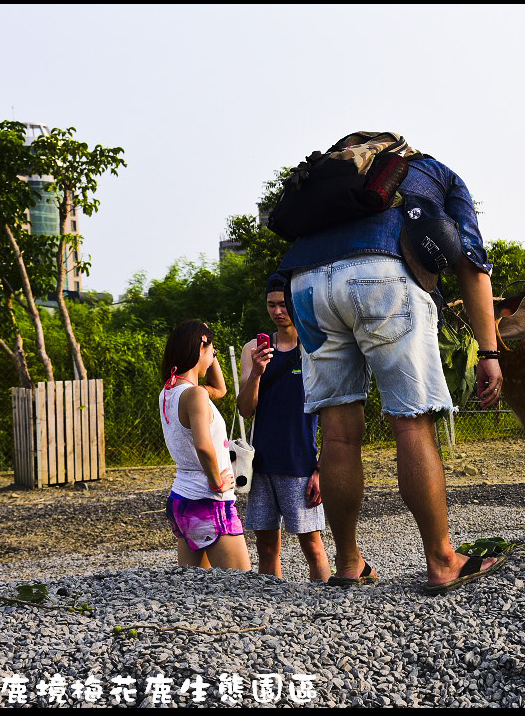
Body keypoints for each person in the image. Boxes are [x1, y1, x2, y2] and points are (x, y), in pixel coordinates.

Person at [277, 134, 506, 594]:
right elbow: (471, 265)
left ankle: (348, 563)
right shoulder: (435, 172)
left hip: (304, 286)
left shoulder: (334, 184)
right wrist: (488, 351)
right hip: (380, 273)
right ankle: (442, 560)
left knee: (339, 433)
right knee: (411, 423)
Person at [237, 273, 332, 583]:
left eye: (283, 304)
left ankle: (325, 604)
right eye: (271, 305)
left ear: (295, 303)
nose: (277, 311)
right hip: (261, 462)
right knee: (266, 545)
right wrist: (257, 373)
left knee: (312, 545)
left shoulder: (314, 347)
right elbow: (245, 409)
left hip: (301, 461)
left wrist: (321, 468)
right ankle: (270, 603)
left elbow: (331, 410)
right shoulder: (253, 348)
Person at [159, 319, 251, 571]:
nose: (213, 358)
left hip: (182, 498)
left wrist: (207, 344)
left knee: (196, 588)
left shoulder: (170, 391)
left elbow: (220, 390)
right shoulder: (195, 395)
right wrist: (216, 482)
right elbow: (203, 445)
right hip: (208, 500)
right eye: (212, 351)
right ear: (200, 348)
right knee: (241, 584)